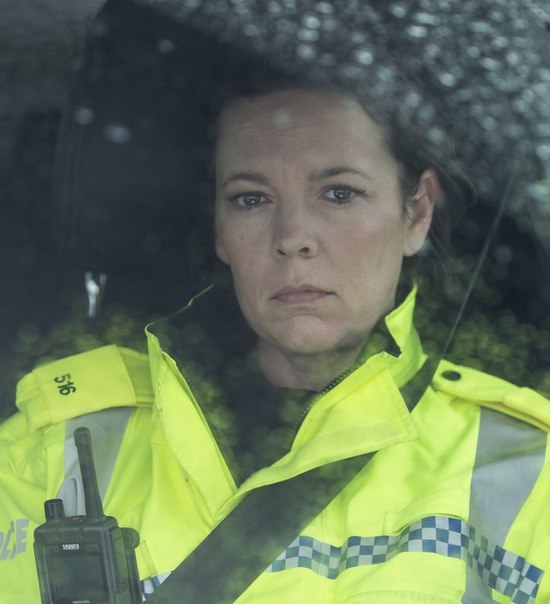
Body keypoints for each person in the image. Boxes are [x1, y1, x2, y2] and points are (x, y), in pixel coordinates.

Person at [1, 55, 550, 604]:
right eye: (251, 199)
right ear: (220, 230)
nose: (292, 237)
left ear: (417, 214)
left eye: (339, 192)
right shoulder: (55, 448)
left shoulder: (526, 468)